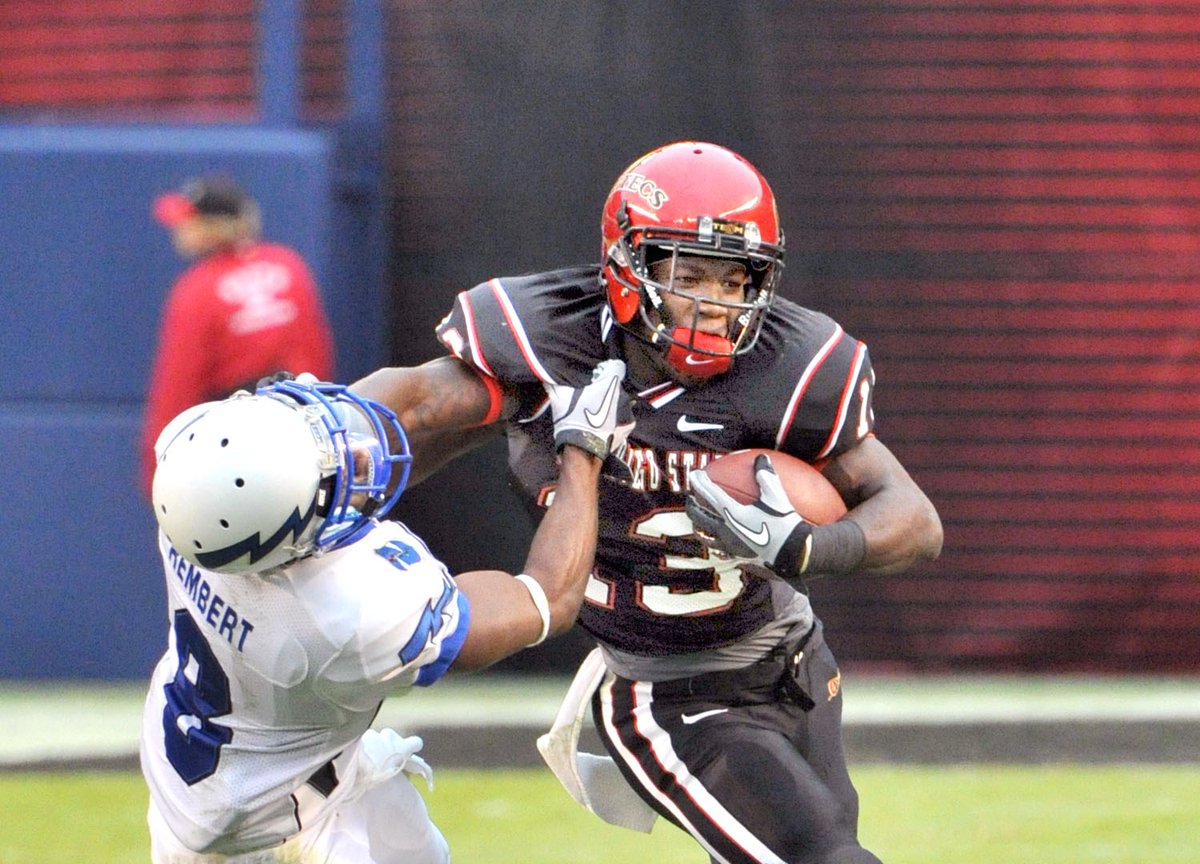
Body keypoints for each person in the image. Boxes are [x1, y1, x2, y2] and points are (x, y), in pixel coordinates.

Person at [352, 140, 944, 864]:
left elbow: (914, 519)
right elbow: (413, 405)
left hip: (789, 654)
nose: (714, 300)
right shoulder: (552, 340)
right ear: (626, 264)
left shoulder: (795, 364)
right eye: (689, 272)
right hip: (666, 691)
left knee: (819, 845)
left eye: (735, 280)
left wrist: (817, 546)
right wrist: (312, 439)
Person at [138, 363, 628, 864]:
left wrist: (511, 408)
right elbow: (548, 599)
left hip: (228, 785)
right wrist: (583, 450)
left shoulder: (195, 494)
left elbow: (362, 460)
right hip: (278, 837)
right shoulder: (345, 614)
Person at [140, 174, 335, 498]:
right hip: (300, 440)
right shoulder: (288, 266)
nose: (178, 228)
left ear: (213, 226)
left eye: (188, 221)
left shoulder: (196, 290)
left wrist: (158, 473)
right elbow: (316, 357)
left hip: (229, 456)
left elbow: (176, 388)